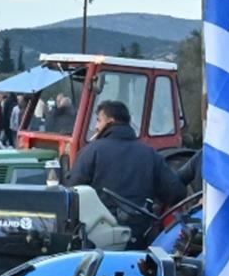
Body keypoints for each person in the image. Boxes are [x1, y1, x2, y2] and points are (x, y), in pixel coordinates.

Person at [68, 100, 184, 238]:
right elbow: (175, 193)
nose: (96, 126)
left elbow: (72, 195)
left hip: (98, 238)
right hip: (140, 238)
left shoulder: (90, 152)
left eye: (98, 120)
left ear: (110, 121)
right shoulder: (150, 154)